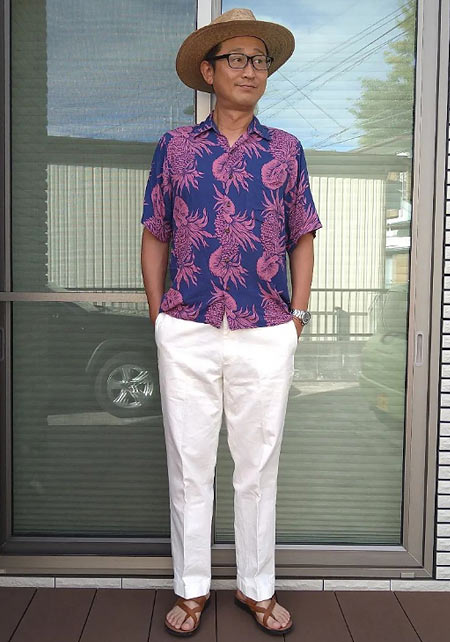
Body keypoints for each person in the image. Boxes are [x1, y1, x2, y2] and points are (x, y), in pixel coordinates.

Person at [140, 7, 323, 637]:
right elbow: (156, 233)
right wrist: (160, 316)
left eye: (259, 60)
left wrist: (297, 316)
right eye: (237, 59)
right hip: (187, 328)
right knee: (190, 466)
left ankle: (256, 588)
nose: (250, 70)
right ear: (208, 71)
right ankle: (191, 588)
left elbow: (302, 235)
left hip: (266, 329)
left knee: (257, 468)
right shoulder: (175, 148)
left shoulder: (286, 150)